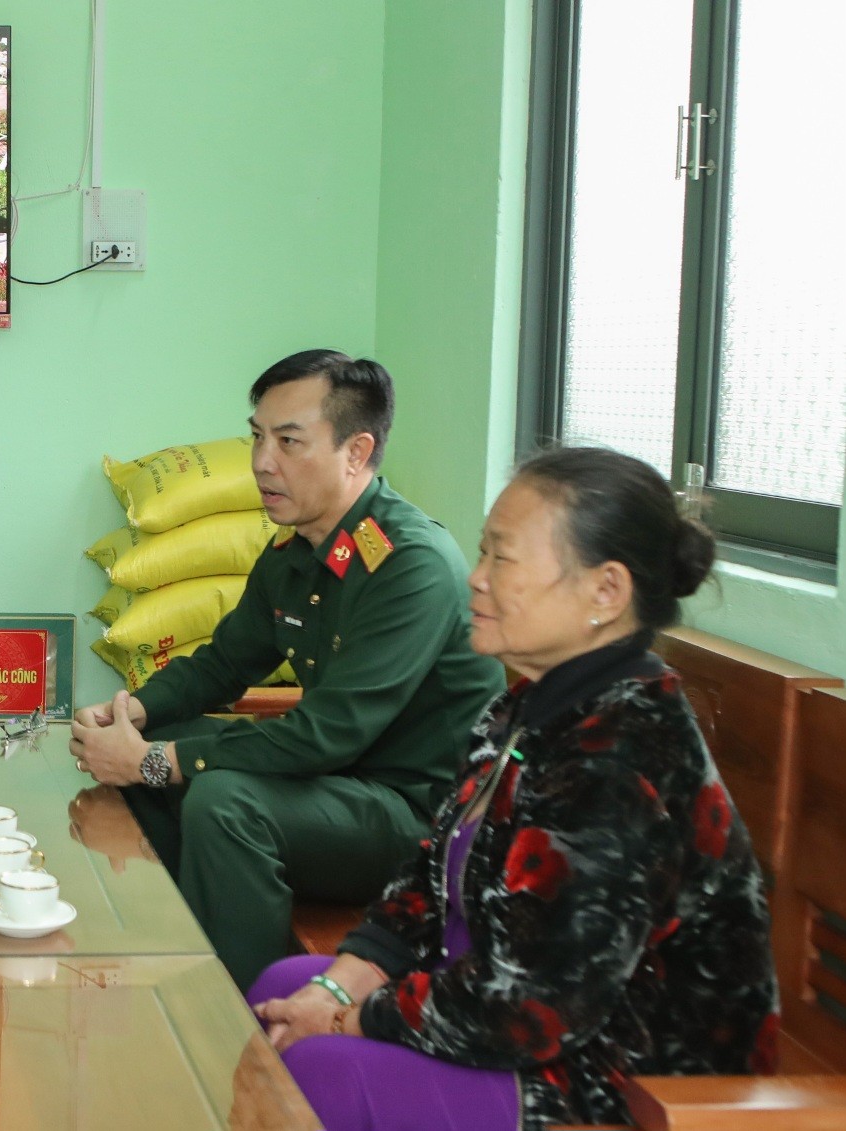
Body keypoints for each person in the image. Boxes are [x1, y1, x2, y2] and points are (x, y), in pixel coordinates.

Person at [246, 446, 779, 1131]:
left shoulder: (624, 758)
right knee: (283, 989)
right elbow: (427, 877)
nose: (476, 578)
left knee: (320, 1067)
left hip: (619, 1079)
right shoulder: (526, 707)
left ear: (606, 592)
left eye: (503, 558)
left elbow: (532, 1007)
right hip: (509, 1003)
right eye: (483, 552)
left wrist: (350, 1018)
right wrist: (340, 983)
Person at [70, 349, 507, 990]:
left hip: (416, 819)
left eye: (288, 441)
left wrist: (153, 760)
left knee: (222, 800)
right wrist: (131, 713)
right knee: (164, 743)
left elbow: (326, 736)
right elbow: (224, 664)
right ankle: (173, 950)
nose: (260, 461)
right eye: (257, 436)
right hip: (338, 786)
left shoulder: (410, 565)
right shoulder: (295, 548)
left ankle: (237, 1010)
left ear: (356, 452)